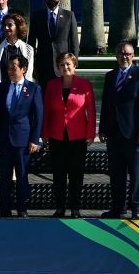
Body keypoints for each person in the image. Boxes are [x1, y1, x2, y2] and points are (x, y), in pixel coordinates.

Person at [99, 40, 139, 219]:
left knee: (136, 173)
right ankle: (118, 207)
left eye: (128, 53)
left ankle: (137, 207)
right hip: (114, 134)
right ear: (116, 56)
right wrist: (103, 128)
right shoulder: (110, 76)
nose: (125, 56)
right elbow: (106, 104)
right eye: (121, 53)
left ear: (133, 56)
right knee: (116, 173)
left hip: (134, 134)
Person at [42, 52, 96, 218]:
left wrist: (90, 134)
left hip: (78, 136)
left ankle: (75, 208)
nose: (65, 68)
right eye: (62, 65)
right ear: (58, 68)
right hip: (57, 135)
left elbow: (91, 111)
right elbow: (46, 111)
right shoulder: (51, 85)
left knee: (76, 174)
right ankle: (59, 207)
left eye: (68, 65)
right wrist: (44, 133)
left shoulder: (84, 84)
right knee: (58, 174)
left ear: (74, 66)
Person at [0, 54, 43, 217]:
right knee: (4, 176)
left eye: (14, 68)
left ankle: (22, 208)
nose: (10, 71)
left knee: (22, 175)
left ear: (24, 69)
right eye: (8, 68)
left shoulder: (33, 88)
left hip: (23, 139)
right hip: (4, 139)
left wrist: (35, 139)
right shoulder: (1, 88)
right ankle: (4, 208)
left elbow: (38, 115)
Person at [29, 0, 79, 86]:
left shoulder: (69, 15)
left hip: (64, 65)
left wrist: (74, 64)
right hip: (43, 65)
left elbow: (74, 42)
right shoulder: (37, 16)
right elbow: (31, 43)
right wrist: (32, 65)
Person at [0, 13, 34, 86]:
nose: (6, 28)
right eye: (4, 25)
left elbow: (28, 75)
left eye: (10, 25)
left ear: (18, 27)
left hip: (21, 92)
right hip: (2, 91)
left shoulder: (28, 49)